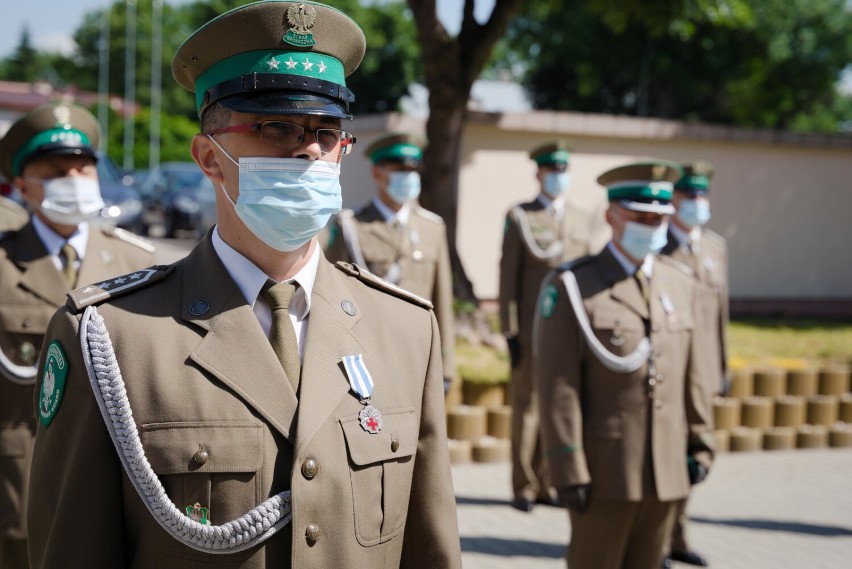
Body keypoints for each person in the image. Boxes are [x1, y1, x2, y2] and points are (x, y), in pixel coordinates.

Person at [27, 2, 461, 568]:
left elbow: (430, 549)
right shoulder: (113, 338)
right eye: (276, 126)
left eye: (326, 131)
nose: (307, 147)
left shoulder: (405, 329)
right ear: (210, 156)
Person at [534, 160, 715, 569]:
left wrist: (701, 443)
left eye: (660, 218)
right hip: (604, 472)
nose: (652, 226)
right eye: (642, 216)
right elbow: (558, 387)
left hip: (668, 468)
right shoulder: (574, 285)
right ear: (612, 216)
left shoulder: (681, 283)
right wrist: (566, 464)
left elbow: (695, 375)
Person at [0, 102, 155, 569]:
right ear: (23, 185)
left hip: (124, 477)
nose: (74, 178)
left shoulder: (137, 263)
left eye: (83, 167)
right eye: (55, 169)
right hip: (21, 478)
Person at [498, 141, 608, 512]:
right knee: (527, 408)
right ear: (539, 174)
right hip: (532, 330)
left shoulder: (580, 218)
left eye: (564, 170)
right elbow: (507, 279)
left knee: (561, 405)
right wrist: (509, 330)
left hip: (572, 332)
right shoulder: (521, 217)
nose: (559, 177)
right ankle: (524, 486)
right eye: (552, 170)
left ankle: (550, 482)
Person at [324, 132, 455, 393]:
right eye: (399, 170)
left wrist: (446, 365)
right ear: (377, 173)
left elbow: (442, 300)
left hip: (420, 355)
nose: (408, 177)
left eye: (412, 170)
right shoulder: (351, 226)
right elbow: (331, 296)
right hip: (370, 355)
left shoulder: (432, 228)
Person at [660, 160, 729, 568]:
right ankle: (662, 541)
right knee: (667, 455)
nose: (697, 202)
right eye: (690, 195)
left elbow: (720, 313)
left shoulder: (716, 247)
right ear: (674, 199)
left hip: (704, 371)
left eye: (703, 195)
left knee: (692, 457)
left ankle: (678, 539)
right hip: (672, 370)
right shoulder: (658, 248)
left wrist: (722, 365)